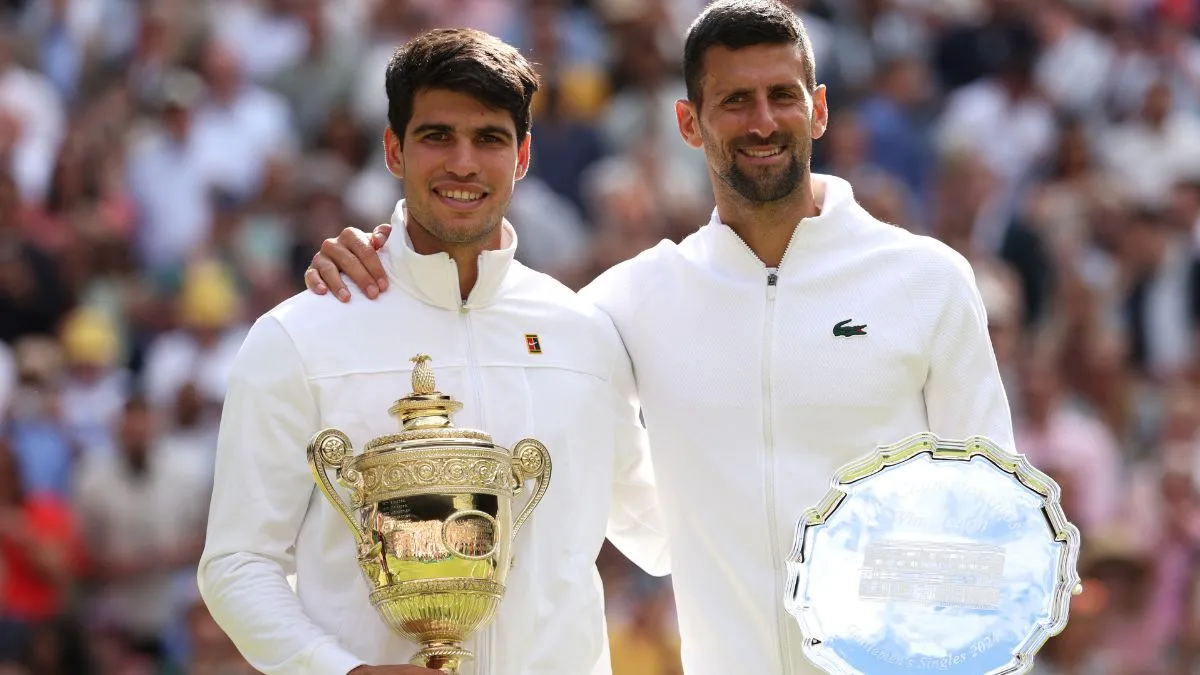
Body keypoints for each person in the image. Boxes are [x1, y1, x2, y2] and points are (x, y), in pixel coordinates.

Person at [303, 1, 1015, 673]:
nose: (762, 121)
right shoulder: (629, 301)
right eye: (735, 100)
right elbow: (481, 321)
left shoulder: (929, 280)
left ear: (818, 109)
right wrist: (386, 261)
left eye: (782, 95)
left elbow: (999, 523)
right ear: (689, 122)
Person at [197, 28, 668, 675]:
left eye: (490, 138)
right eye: (437, 136)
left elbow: (661, 529)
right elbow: (237, 562)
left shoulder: (583, 332)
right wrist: (344, 672)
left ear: (524, 153)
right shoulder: (298, 335)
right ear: (394, 149)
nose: (463, 163)